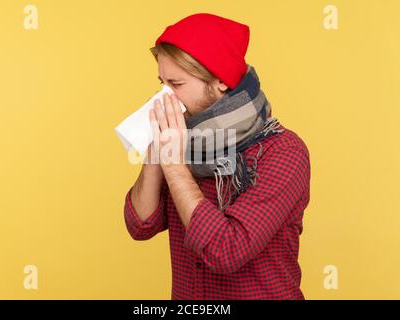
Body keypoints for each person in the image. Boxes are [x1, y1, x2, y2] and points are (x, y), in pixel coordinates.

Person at [123, 13, 311, 300]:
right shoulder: (183, 139)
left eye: (176, 84)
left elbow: (226, 251)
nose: (164, 97)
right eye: (161, 83)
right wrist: (156, 151)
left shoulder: (283, 151)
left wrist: (174, 165)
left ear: (220, 80)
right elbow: (140, 225)